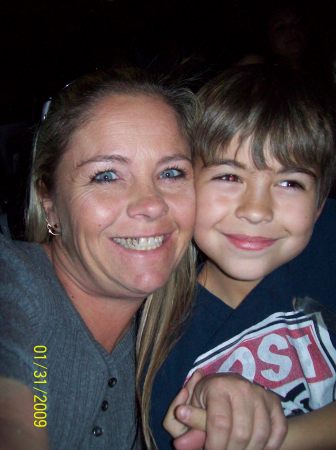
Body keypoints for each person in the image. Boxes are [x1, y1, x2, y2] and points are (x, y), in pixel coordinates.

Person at [0, 68, 198, 450]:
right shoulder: (13, 278)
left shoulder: (190, 335)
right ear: (50, 202)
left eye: (172, 172)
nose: (151, 204)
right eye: (107, 176)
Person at [151, 64, 336, 449]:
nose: (257, 210)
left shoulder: (327, 250)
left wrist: (277, 439)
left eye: (289, 183)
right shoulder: (156, 332)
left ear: (319, 206)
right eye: (229, 177)